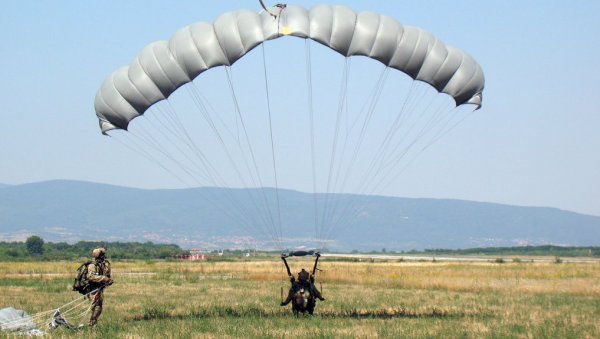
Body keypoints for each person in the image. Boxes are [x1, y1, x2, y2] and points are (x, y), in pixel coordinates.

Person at [86, 247, 112, 326]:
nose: (104, 256)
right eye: (103, 254)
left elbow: (105, 274)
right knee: (97, 307)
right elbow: (90, 277)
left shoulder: (102, 264)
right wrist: (104, 279)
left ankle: (93, 324)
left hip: (98, 289)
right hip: (92, 289)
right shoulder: (92, 265)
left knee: (98, 307)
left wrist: (108, 281)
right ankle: (92, 325)